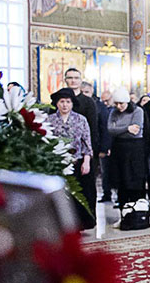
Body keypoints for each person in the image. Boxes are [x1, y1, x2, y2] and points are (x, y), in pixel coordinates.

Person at [47, 89, 95, 230]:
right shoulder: (49, 120)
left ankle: (80, 223)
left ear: (72, 104)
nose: (65, 105)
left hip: (77, 161)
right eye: (62, 102)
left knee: (78, 193)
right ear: (57, 103)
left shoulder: (81, 119)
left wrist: (86, 162)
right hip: (57, 162)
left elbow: (87, 143)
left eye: (68, 102)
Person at [107, 88, 146, 207]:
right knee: (121, 180)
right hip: (119, 147)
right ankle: (123, 206)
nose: (119, 106)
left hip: (134, 148)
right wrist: (126, 128)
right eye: (116, 103)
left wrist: (119, 129)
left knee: (134, 179)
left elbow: (135, 131)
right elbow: (110, 129)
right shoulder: (114, 112)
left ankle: (136, 208)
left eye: (121, 103)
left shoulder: (137, 111)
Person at [62, 69, 99, 160]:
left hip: (83, 148)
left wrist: (92, 149)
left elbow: (93, 126)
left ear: (80, 80)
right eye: (70, 78)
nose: (73, 80)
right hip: (62, 146)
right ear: (65, 80)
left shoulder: (89, 102)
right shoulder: (58, 100)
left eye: (76, 78)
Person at [96, 89, 114, 203]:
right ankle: (106, 193)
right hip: (104, 145)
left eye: (107, 100)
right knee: (105, 172)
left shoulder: (116, 110)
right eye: (103, 101)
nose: (105, 103)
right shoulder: (101, 110)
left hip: (116, 145)